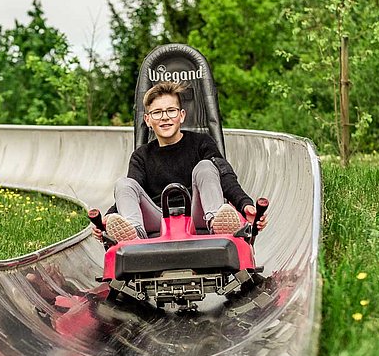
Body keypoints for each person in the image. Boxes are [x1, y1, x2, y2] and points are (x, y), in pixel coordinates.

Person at [93, 81, 268, 244]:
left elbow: (225, 176)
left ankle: (218, 224)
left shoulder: (202, 142)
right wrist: (109, 218)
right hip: (158, 218)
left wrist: (245, 204)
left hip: (197, 213)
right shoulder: (141, 156)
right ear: (148, 120)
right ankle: (133, 236)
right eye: (157, 112)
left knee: (206, 166)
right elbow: (129, 192)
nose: (165, 117)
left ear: (181, 115)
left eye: (171, 111)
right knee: (124, 183)